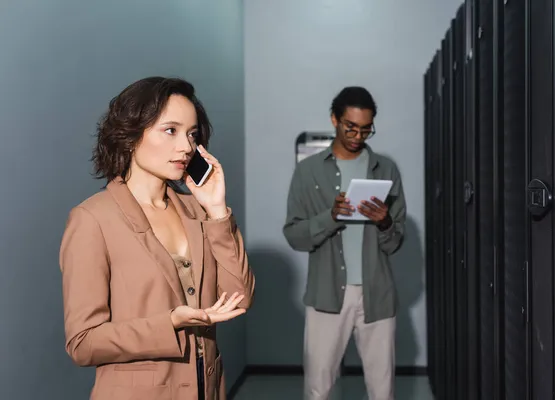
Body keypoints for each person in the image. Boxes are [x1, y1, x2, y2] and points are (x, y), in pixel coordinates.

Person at [59, 77, 255, 400]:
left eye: (192, 134)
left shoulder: (198, 211)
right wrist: (170, 324)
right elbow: (83, 343)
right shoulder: (92, 220)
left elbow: (240, 298)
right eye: (170, 130)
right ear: (131, 134)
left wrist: (219, 211)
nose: (187, 146)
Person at [283, 86, 406, 400]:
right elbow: (294, 235)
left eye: (366, 129)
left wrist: (385, 221)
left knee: (383, 390)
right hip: (327, 294)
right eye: (350, 126)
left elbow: (395, 243)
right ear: (334, 120)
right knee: (317, 388)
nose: (358, 135)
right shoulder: (307, 171)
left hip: (377, 293)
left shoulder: (386, 169)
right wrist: (331, 217)